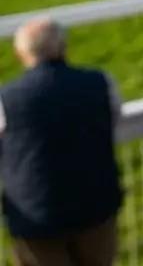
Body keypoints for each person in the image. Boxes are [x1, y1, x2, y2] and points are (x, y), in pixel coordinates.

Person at [0, 20, 123, 266]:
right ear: (64, 48)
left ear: (20, 54)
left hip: (36, 217)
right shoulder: (100, 81)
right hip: (96, 207)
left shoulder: (6, 97)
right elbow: (114, 116)